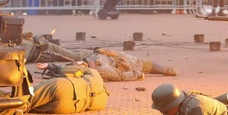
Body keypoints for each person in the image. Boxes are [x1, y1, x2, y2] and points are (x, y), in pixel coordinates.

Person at [33, 45, 176, 81]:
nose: (78, 65)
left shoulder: (88, 65)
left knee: (71, 55)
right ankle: (166, 70)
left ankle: (166, 70)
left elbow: (66, 68)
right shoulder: (103, 71)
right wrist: (137, 74)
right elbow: (123, 76)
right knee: (139, 63)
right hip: (114, 60)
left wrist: (49, 66)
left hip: (98, 55)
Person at [27, 65, 108, 114]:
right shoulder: (102, 102)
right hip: (67, 107)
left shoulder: (94, 73)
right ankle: (18, 110)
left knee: (28, 98)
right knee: (33, 107)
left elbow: (71, 69)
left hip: (64, 87)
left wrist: (50, 66)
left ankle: (16, 106)